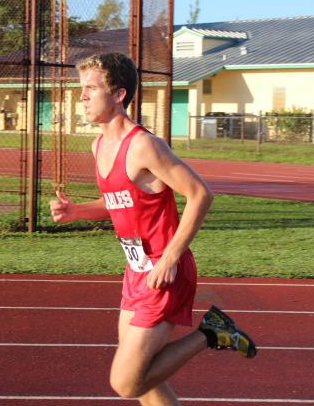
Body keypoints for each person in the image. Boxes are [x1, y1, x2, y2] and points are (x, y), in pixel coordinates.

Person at [50, 53, 256, 406]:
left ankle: (212, 332)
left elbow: (200, 194)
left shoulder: (144, 145)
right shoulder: (98, 145)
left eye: (91, 88)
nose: (82, 96)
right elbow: (121, 203)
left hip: (165, 272)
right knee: (144, 380)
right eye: (80, 88)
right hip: (137, 271)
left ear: (118, 95)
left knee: (127, 383)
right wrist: (77, 211)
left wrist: (171, 257)